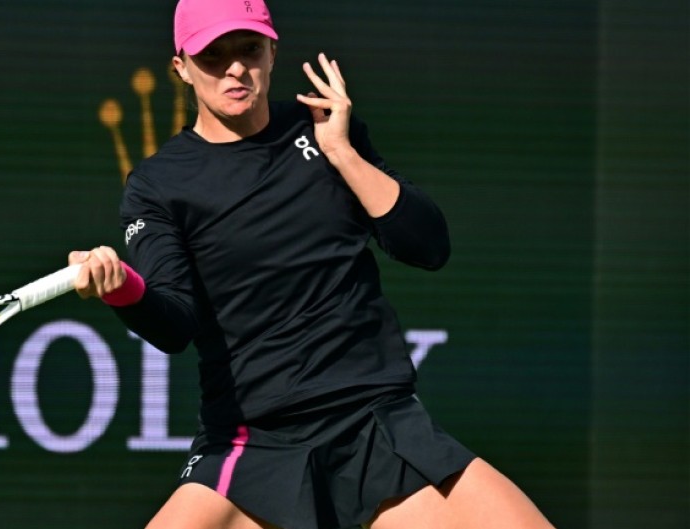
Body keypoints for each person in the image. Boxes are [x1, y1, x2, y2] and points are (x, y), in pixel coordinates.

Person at [69, 1, 557, 528]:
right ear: (181, 67)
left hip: (378, 424)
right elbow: (174, 324)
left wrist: (342, 152)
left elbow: (428, 247)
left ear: (272, 52)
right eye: (213, 55)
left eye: (249, 49)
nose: (235, 69)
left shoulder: (325, 131)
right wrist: (120, 288)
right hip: (256, 441)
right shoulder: (156, 185)